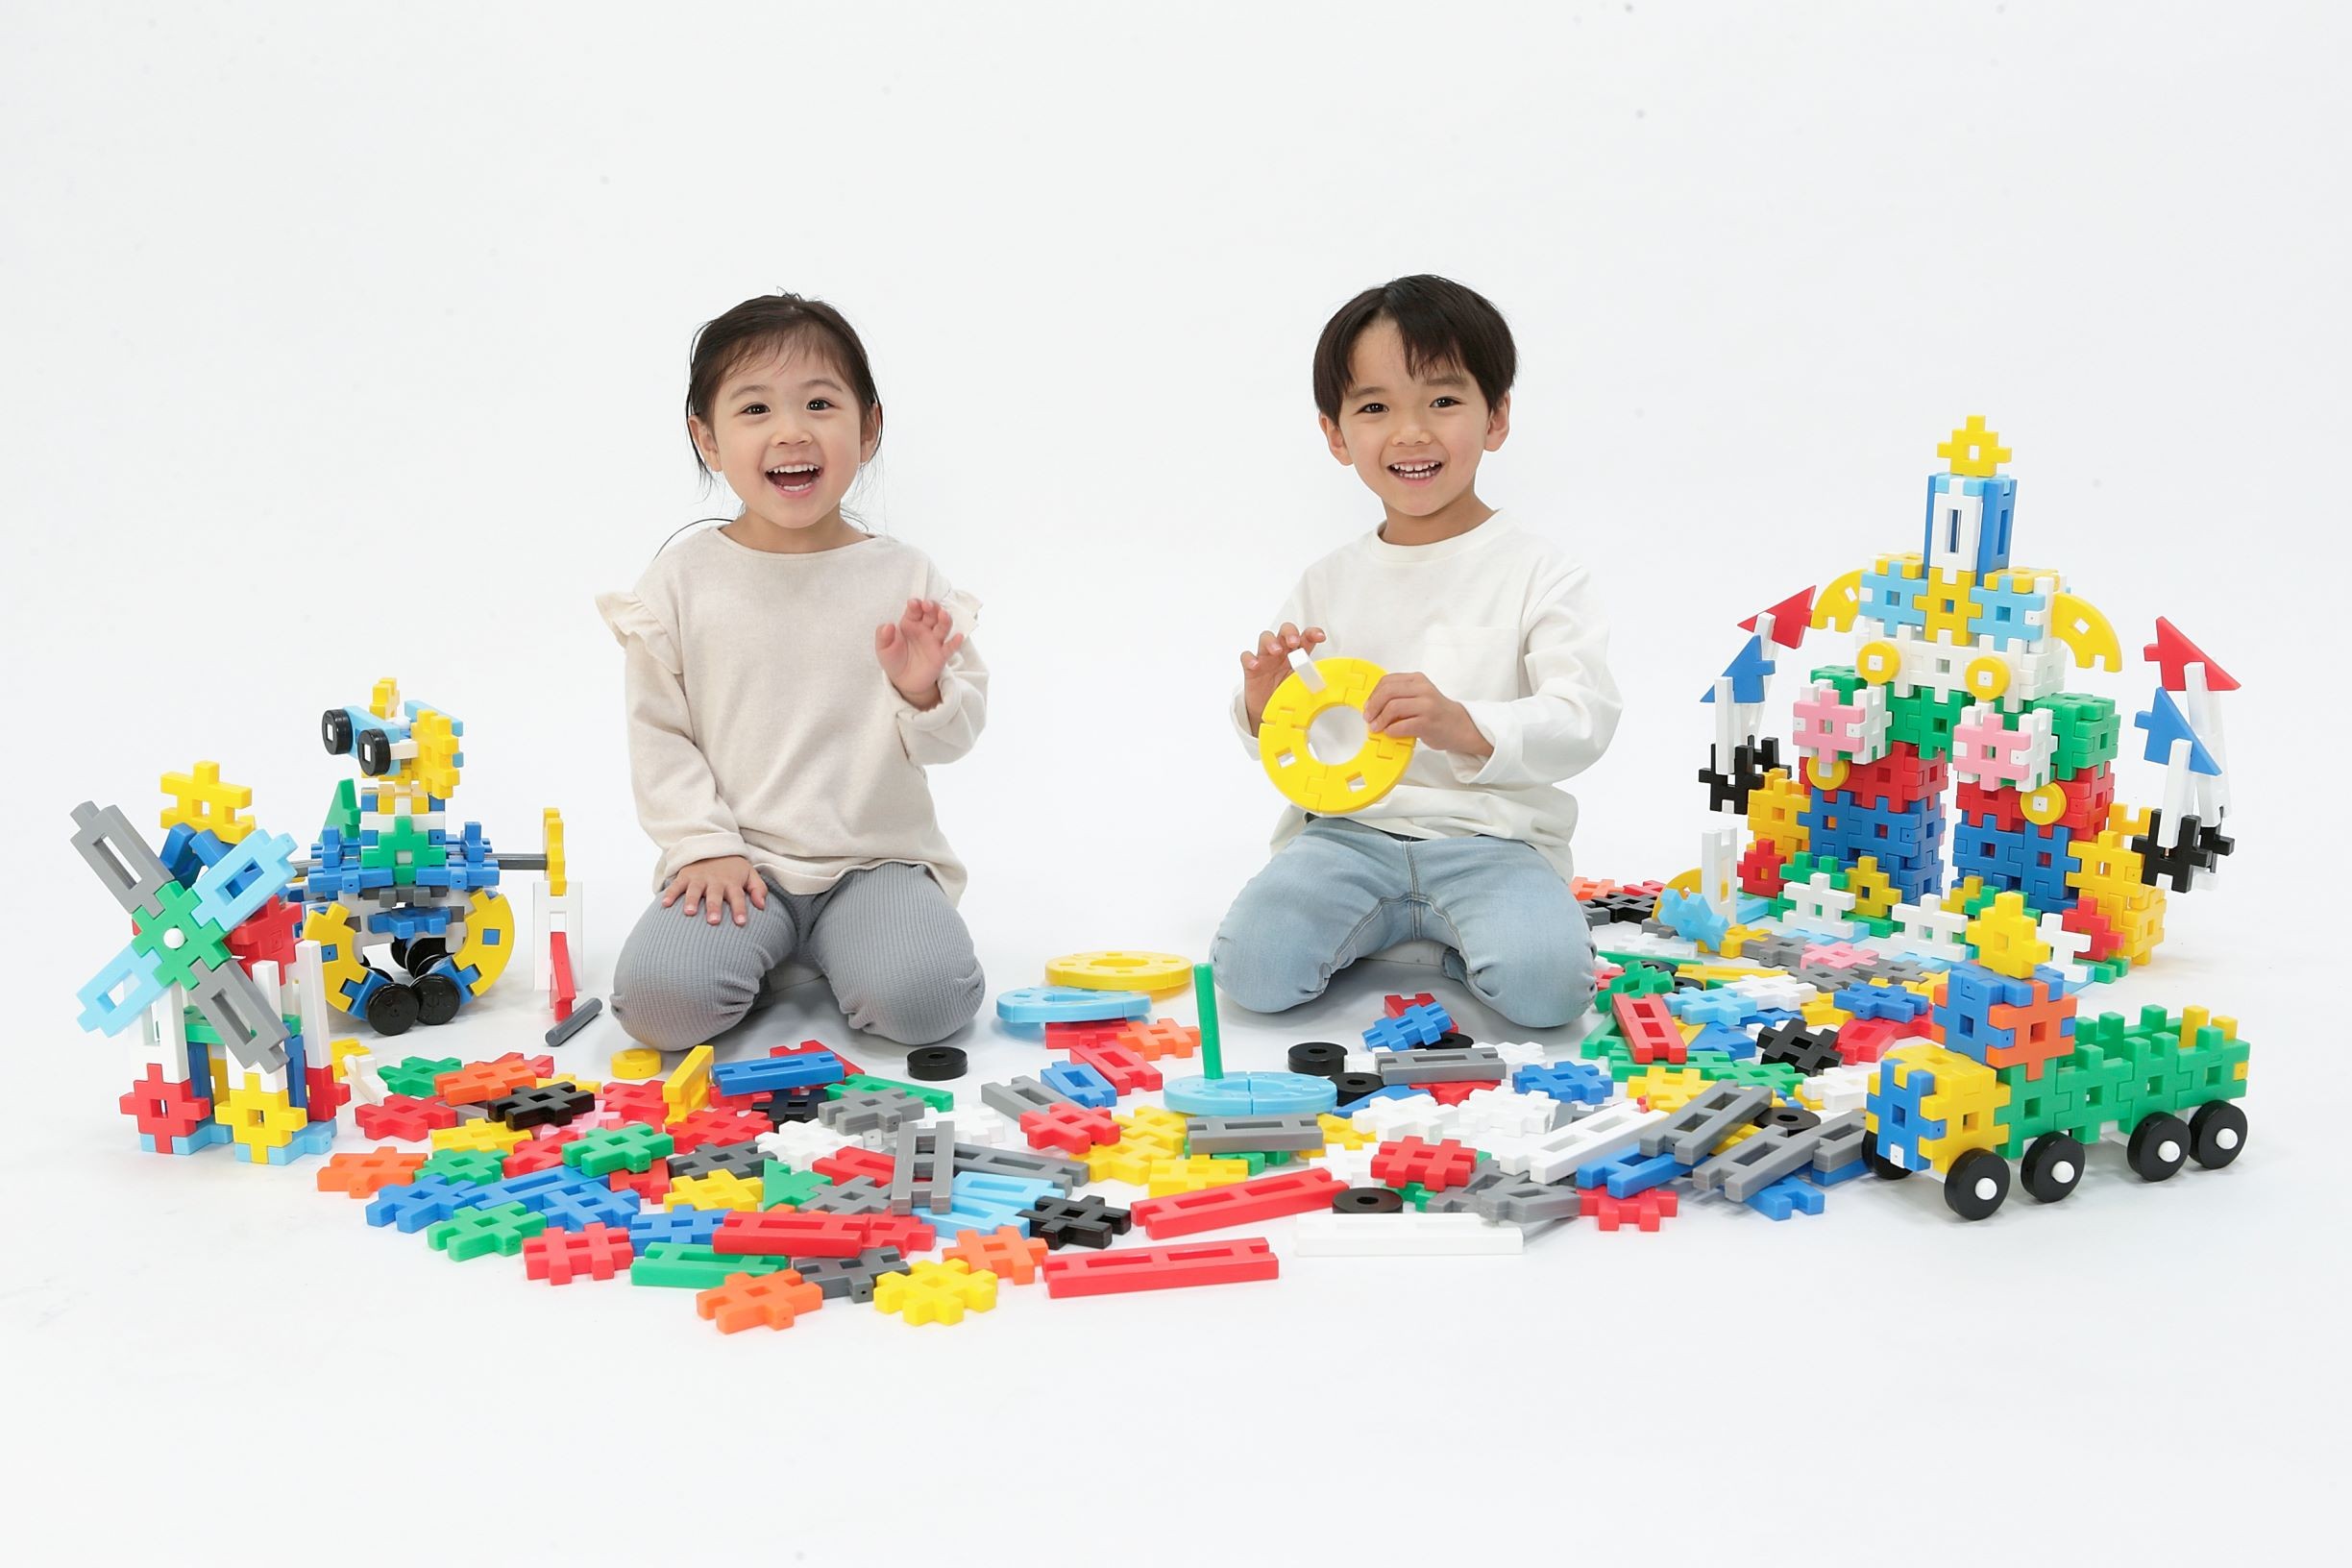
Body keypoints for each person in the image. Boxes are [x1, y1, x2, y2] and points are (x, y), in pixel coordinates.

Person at [1212, 275, 1622, 1028]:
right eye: (1375, 408)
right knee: (1253, 973)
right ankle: (1411, 935)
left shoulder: (1541, 572)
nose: (1410, 432)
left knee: (1549, 993)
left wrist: (1463, 724)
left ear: (1496, 417)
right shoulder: (1328, 581)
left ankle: (1432, 942)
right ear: (1336, 435)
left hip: (1495, 840)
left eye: (1443, 400)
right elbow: (1299, 741)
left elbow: (1582, 718)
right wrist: (1264, 708)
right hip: (1346, 838)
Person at [597, 292, 986, 1050]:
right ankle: (774, 949)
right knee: (659, 1008)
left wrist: (923, 691)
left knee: (927, 1006)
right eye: (754, 409)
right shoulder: (680, 582)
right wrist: (703, 844)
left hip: (876, 861)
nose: (791, 431)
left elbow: (953, 740)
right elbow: (659, 736)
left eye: (819, 403)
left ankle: (840, 950)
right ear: (707, 438)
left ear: (868, 428)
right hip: (739, 864)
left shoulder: (907, 576)